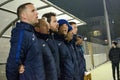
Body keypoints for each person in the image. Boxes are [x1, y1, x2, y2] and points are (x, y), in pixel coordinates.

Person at [6, 3, 45, 80]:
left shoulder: (30, 33)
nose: (37, 13)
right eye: (33, 11)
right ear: (24, 16)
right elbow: (13, 62)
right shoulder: (21, 33)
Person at [42, 12, 60, 79]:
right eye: (54, 21)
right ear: (47, 23)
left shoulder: (52, 39)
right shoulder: (43, 40)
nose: (57, 24)